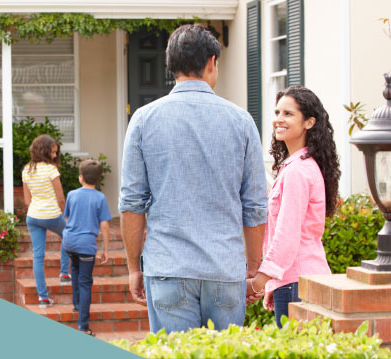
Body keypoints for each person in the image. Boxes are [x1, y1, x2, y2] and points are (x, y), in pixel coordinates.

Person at [118, 23, 268, 333]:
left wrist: (134, 268)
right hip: (224, 269)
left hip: (168, 267)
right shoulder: (241, 121)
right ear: (212, 62)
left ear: (170, 65)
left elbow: (132, 204)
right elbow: (254, 204)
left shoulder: (144, 120)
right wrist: (253, 268)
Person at [246, 86, 340, 328]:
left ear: (309, 122)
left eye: (288, 114)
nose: (278, 119)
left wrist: (258, 281)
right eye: (277, 112)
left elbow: (287, 237)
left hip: (297, 282)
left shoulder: (298, 171)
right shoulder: (298, 166)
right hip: (302, 279)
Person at [62, 160, 112, 336]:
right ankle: (83, 326)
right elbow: (104, 224)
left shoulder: (72, 194)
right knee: (85, 282)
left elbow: (66, 218)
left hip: (69, 242)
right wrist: (105, 249)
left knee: (75, 271)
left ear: (81, 178)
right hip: (86, 246)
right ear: (98, 179)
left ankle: (77, 305)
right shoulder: (100, 198)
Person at [22, 134, 70, 308]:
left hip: (33, 217)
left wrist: (37, 211)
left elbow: (27, 201)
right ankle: (64, 273)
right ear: (44, 150)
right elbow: (61, 198)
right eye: (53, 152)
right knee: (68, 235)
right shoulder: (51, 170)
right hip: (52, 215)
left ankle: (43, 298)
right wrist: (65, 215)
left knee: (38, 256)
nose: (55, 156)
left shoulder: (27, 169)